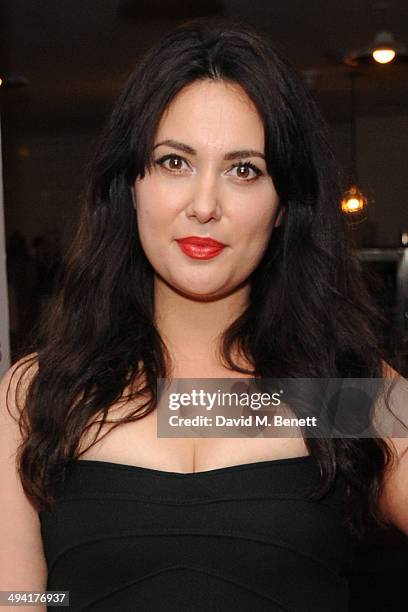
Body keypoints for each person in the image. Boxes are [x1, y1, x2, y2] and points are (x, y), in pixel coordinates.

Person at [1, 19, 407, 612]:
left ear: (282, 207)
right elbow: (22, 598)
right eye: (174, 162)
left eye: (245, 170)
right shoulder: (41, 393)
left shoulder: (340, 388)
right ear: (131, 183)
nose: (204, 205)